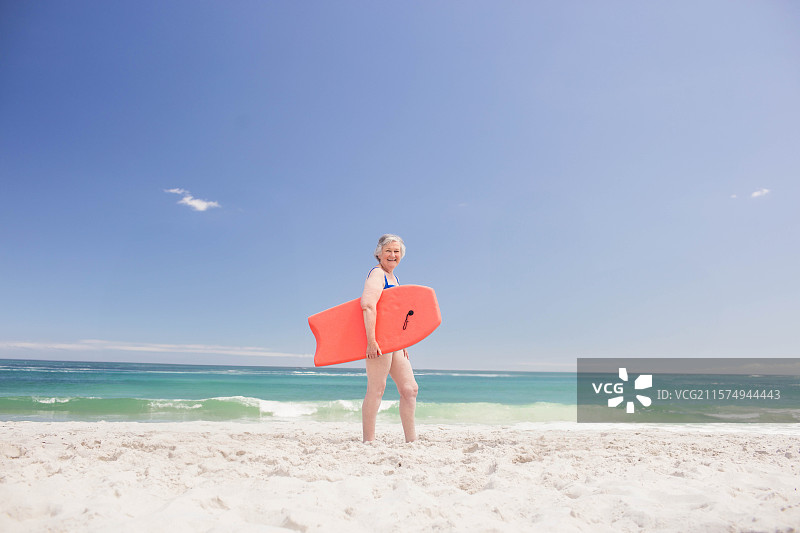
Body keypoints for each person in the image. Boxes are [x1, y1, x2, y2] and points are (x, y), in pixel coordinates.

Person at [361, 234, 419, 443]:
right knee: (377, 389)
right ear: (379, 254)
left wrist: (403, 341)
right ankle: (369, 441)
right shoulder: (377, 275)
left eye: (396, 251)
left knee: (409, 389)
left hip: (395, 342)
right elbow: (368, 305)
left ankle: (411, 441)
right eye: (388, 251)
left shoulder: (394, 278)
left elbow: (396, 316)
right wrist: (371, 341)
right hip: (378, 340)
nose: (393, 255)